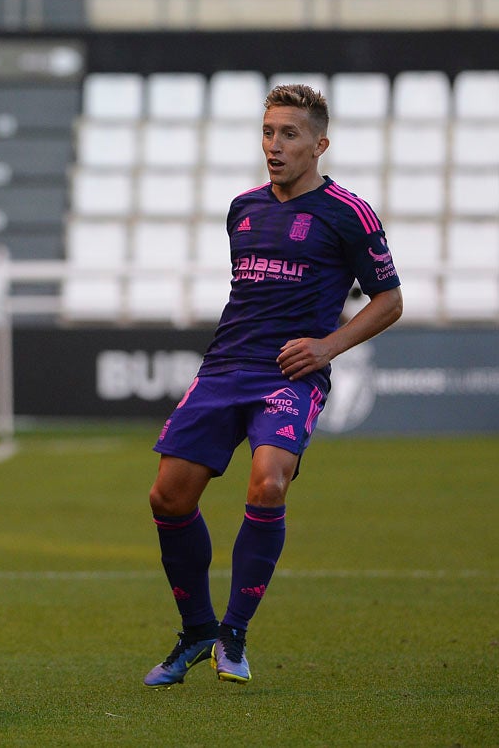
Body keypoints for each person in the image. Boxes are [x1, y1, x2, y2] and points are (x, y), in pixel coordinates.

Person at [141, 84, 404, 688]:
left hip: (290, 375)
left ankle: (234, 635)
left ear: (320, 143)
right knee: (167, 498)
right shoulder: (243, 209)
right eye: (268, 132)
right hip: (224, 368)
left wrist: (326, 347)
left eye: (289, 134)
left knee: (269, 482)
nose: (275, 145)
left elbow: (389, 300)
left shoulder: (349, 213)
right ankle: (198, 629)